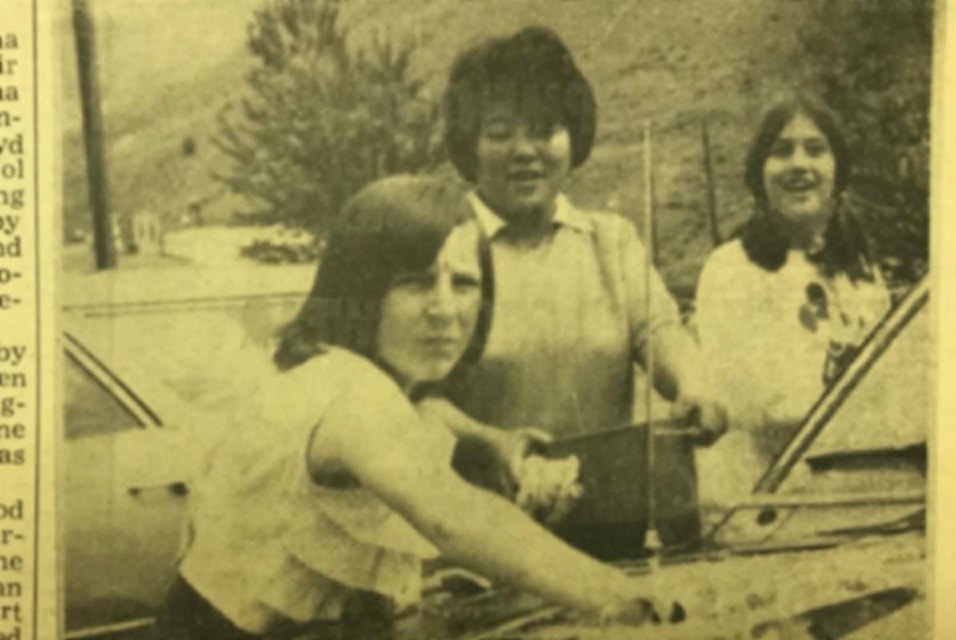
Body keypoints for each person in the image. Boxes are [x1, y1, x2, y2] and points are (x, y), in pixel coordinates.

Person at [156, 176, 668, 640]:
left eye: (464, 284)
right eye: (417, 283)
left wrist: (488, 438)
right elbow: (458, 519)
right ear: (361, 291)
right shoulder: (351, 394)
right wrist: (621, 598)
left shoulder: (343, 371)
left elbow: (426, 413)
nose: (444, 310)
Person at [430, 26, 726, 547]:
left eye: (545, 130)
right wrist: (488, 442)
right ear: (469, 144)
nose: (525, 151)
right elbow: (412, 396)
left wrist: (695, 389)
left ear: (573, 138)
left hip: (614, 523)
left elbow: (660, 331)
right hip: (482, 541)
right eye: (500, 133)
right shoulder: (442, 250)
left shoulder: (611, 241)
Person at [694, 96, 890, 506]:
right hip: (765, 499)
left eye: (816, 150)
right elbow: (749, 403)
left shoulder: (861, 273)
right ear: (759, 175)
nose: (800, 164)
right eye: (782, 151)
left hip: (860, 492)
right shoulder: (731, 269)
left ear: (838, 172)